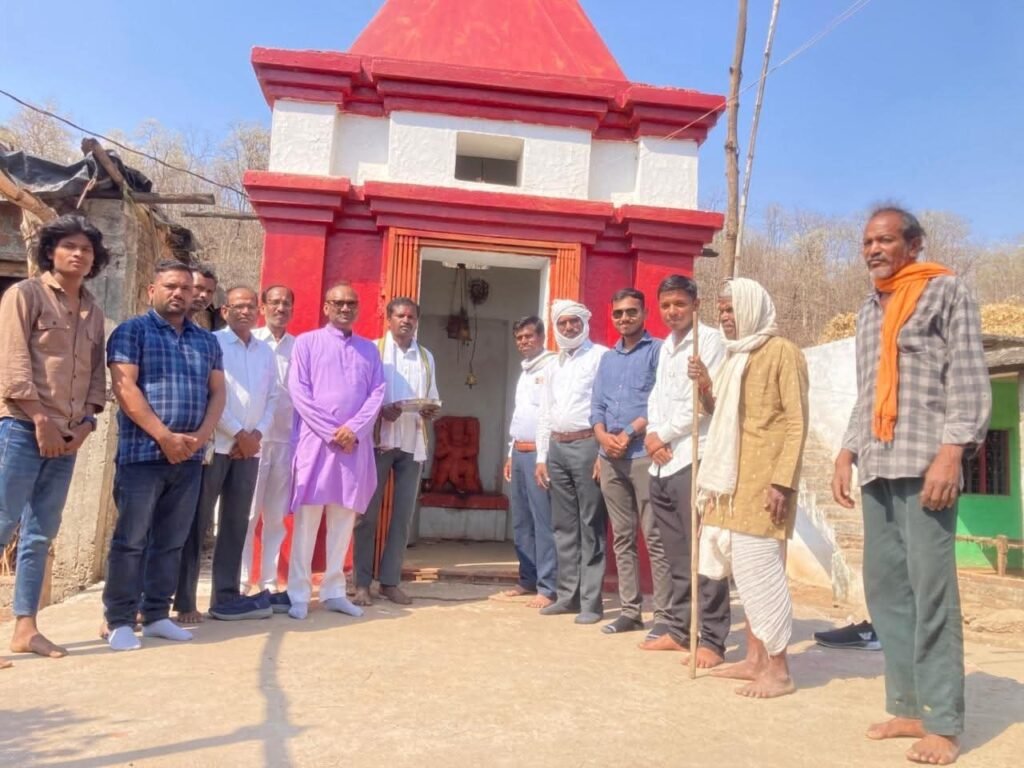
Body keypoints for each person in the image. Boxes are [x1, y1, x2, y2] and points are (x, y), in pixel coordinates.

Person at [831, 207, 990, 766]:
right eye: (867, 242)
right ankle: (908, 705)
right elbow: (867, 391)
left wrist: (952, 452)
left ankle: (943, 722)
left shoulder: (946, 291)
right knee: (886, 592)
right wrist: (847, 451)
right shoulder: (867, 311)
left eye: (885, 240)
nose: (873, 250)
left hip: (927, 463)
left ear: (914, 244)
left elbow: (967, 377)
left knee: (931, 592)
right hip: (878, 462)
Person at [0, 215, 110, 667]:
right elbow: (12, 363)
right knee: (3, 521)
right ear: (51, 251)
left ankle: (25, 628)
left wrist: (85, 424)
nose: (78, 254)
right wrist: (40, 419)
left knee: (41, 532)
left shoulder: (93, 310)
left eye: (86, 249)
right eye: (69, 246)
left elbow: (96, 375)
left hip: (68, 435)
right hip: (22, 427)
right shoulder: (24, 295)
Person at [690, 277, 808, 698]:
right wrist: (705, 385)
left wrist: (782, 482)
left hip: (764, 481)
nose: (725, 317)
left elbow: (796, 421)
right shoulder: (733, 356)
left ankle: (780, 670)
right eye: (721, 310)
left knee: (761, 573)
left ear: (752, 308)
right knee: (740, 571)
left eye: (731, 309)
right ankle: (755, 660)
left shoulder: (783, 352)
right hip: (729, 482)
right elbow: (717, 413)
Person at [103, 260, 225, 651]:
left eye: (186, 288)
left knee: (171, 541)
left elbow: (218, 393)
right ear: (151, 290)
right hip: (143, 456)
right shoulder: (131, 332)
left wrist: (201, 437)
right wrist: (164, 436)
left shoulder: (206, 341)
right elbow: (126, 389)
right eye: (171, 286)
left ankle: (156, 614)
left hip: (188, 459)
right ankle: (120, 620)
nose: (179, 293)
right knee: (131, 540)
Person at [640, 275, 731, 665]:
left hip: (694, 455)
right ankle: (680, 630)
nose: (672, 311)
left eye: (679, 304)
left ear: (696, 304)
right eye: (666, 305)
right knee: (676, 553)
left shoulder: (709, 342)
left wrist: (662, 436)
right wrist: (652, 435)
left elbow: (703, 403)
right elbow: (658, 398)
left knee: (704, 553)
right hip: (662, 462)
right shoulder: (665, 347)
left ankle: (712, 639)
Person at [174, 286, 279, 622]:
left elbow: (273, 397)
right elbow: (209, 394)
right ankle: (185, 600)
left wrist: (256, 435)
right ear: (224, 310)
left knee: (236, 523)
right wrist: (237, 433)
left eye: (251, 306)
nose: (245, 311)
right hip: (215, 447)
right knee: (197, 522)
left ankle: (226, 597)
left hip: (249, 452)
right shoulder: (212, 343)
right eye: (238, 306)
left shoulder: (265, 352)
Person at [287, 282, 385, 619]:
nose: (345, 308)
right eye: (338, 303)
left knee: (343, 521)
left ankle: (333, 591)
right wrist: (332, 431)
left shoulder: (369, 350)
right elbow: (299, 392)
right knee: (307, 521)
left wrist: (353, 429)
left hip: (352, 447)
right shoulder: (306, 343)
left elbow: (377, 394)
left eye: (351, 303)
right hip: (316, 444)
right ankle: (299, 594)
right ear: (326, 307)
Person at [590, 289, 671, 636]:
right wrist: (601, 437)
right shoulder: (607, 359)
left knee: (654, 537)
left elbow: (662, 399)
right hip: (610, 458)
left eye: (631, 312)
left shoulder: (659, 352)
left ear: (645, 313)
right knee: (621, 537)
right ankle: (630, 611)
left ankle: (664, 617)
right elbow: (597, 405)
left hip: (643, 456)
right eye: (618, 313)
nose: (624, 318)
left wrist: (630, 432)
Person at [353, 297, 439, 607]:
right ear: (388, 319)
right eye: (400, 316)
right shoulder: (373, 351)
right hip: (378, 442)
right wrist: (380, 411)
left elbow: (432, 396)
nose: (406, 321)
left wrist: (429, 410)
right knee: (366, 514)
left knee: (403, 516)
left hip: (412, 442)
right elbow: (358, 395)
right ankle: (361, 583)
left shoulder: (425, 357)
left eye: (411, 316)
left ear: (416, 321)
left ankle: (390, 582)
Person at [535, 299, 609, 624]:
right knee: (563, 526)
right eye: (562, 322)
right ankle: (567, 597)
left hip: (587, 445)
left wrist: (603, 453)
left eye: (574, 321)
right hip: (557, 448)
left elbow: (607, 406)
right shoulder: (553, 364)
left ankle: (591, 603)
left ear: (584, 323)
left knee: (590, 524)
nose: (568, 327)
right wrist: (541, 457)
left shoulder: (601, 357)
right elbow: (545, 412)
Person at [498, 316, 557, 608]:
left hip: (539, 454)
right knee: (521, 521)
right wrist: (511, 453)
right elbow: (521, 415)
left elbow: (549, 415)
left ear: (542, 337)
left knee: (542, 521)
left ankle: (548, 586)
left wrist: (542, 457)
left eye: (529, 336)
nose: (524, 341)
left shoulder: (552, 366)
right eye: (519, 337)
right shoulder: (525, 371)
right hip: (520, 452)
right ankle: (527, 579)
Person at [240, 285, 296, 595]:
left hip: (285, 441)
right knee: (247, 514)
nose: (280, 308)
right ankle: (241, 581)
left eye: (286, 303)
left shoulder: (298, 347)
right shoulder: (251, 342)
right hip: (252, 442)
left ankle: (270, 582)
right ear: (263, 308)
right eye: (274, 302)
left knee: (276, 516)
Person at [189, 264, 219, 330]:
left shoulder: (199, 332)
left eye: (209, 291)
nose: (204, 295)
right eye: (198, 288)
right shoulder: (166, 325)